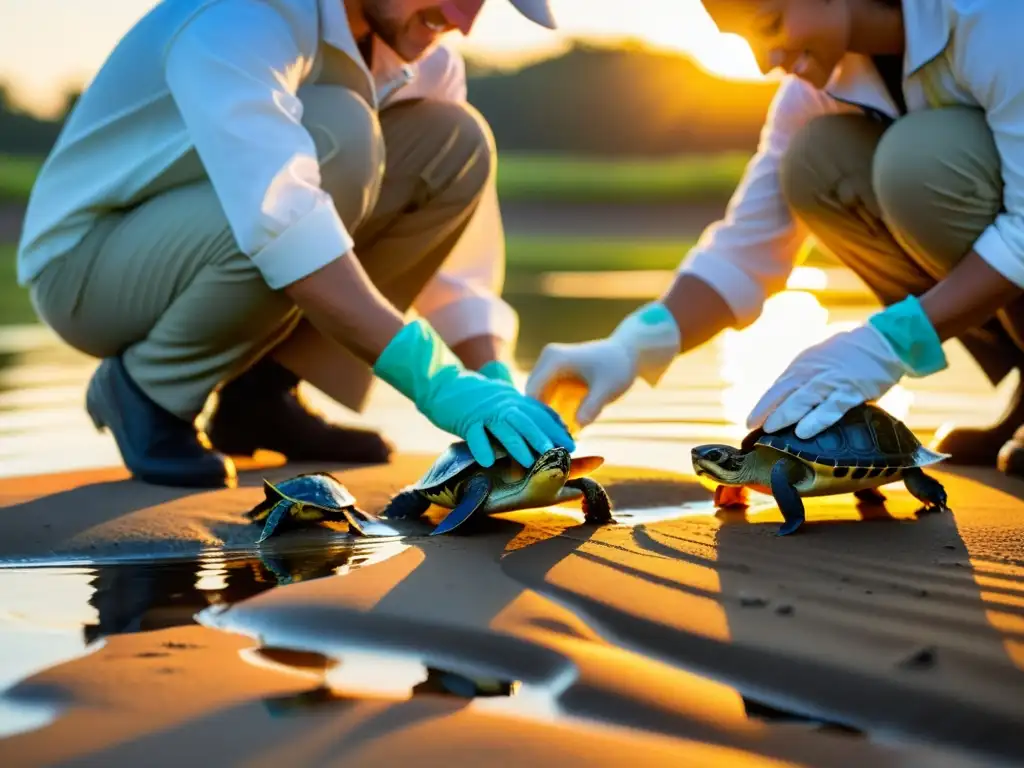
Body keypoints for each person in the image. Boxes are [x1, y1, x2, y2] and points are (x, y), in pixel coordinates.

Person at [17, 0, 575, 488]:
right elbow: (281, 216)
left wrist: (496, 385)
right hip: (87, 270)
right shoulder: (243, 14)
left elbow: (455, 272)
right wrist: (438, 384)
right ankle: (148, 388)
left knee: (455, 142)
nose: (464, 18)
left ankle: (256, 396)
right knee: (339, 132)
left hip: (217, 234)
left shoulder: (425, 58)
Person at [526, 0, 1024, 478]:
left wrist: (888, 344)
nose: (764, 62)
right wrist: (629, 347)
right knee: (814, 159)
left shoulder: (990, 16)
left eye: (770, 23)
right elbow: (745, 248)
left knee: (913, 164)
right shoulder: (815, 90)